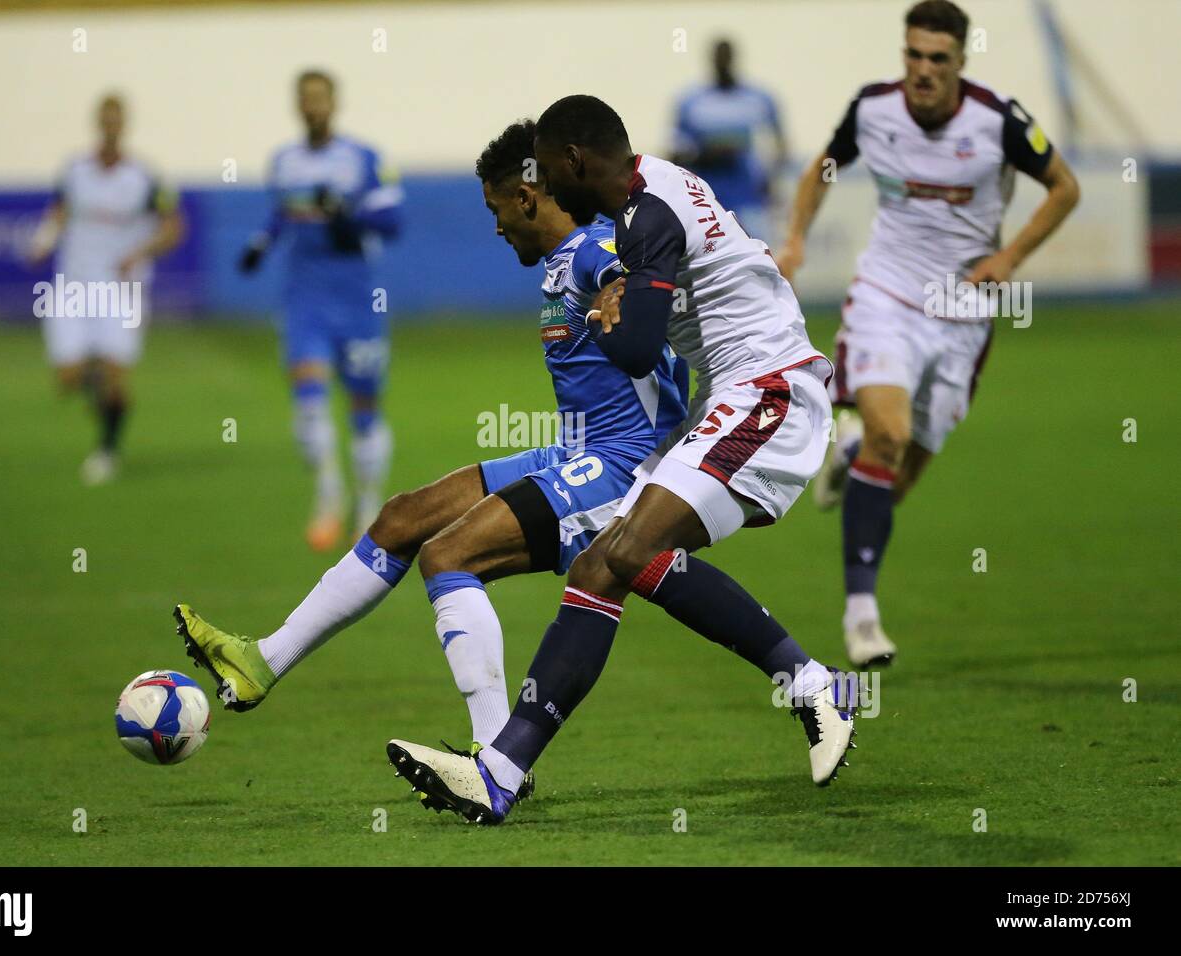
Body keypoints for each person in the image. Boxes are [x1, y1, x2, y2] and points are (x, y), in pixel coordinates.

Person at [387, 95, 863, 826]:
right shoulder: (653, 193)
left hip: (771, 391)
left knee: (633, 547)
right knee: (600, 566)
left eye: (548, 173)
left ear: (575, 163)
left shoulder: (648, 217)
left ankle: (812, 683)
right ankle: (500, 773)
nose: (544, 190)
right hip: (732, 398)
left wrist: (603, 319)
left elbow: (638, 347)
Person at [175, 120, 686, 799]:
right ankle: (260, 662)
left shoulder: (595, 250)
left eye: (495, 210)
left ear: (526, 199)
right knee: (402, 517)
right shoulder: (566, 260)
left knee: (449, 556)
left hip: (624, 470)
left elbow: (636, 286)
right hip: (578, 450)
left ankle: (498, 757)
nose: (496, 228)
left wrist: (626, 287)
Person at [775, 0, 1080, 667]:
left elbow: (1063, 187)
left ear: (961, 62)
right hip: (887, 293)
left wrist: (1010, 258)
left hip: (964, 313)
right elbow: (823, 167)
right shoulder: (873, 108)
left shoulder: (998, 121)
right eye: (913, 54)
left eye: (937, 59)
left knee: (900, 470)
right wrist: (794, 242)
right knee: (890, 431)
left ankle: (852, 464)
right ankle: (861, 614)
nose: (922, 70)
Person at [239, 70, 403, 549]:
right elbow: (282, 214)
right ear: (297, 105)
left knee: (364, 408)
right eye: (305, 100)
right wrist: (261, 243)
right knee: (309, 402)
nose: (313, 108)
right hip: (304, 297)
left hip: (356, 298)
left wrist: (346, 215)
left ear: (335, 103)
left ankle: (368, 503)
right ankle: (328, 496)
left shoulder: (364, 158)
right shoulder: (283, 162)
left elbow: (392, 221)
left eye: (320, 99)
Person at [29, 93, 183, 484]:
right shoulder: (75, 170)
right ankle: (96, 381)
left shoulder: (144, 177)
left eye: (117, 120)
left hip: (120, 289)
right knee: (67, 378)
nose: (111, 126)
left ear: (124, 125)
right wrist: (44, 239)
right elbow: (60, 211)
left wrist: (140, 252)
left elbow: (173, 227)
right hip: (74, 285)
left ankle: (106, 451)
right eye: (105, 119)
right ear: (98, 123)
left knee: (117, 372)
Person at [672, 38, 788, 244]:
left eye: (726, 58)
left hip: (749, 197)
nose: (722, 63)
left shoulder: (759, 98)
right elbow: (675, 153)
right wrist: (706, 155)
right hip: (707, 199)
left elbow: (781, 145)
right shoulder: (691, 101)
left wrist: (771, 178)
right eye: (718, 58)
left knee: (756, 249)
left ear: (734, 59)